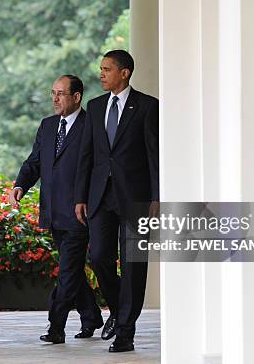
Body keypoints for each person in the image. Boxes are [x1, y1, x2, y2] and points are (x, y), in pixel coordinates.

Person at [74, 50, 159, 353]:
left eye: (107, 69)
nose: (101, 74)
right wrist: (80, 197)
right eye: (101, 69)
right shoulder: (95, 108)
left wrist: (157, 196)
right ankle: (120, 309)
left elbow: (155, 156)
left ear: (124, 73)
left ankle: (126, 331)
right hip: (100, 196)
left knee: (134, 266)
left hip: (136, 198)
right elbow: (87, 155)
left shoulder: (148, 107)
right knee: (98, 257)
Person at [10, 75, 104, 344]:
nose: (55, 98)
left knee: (66, 271)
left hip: (79, 213)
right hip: (53, 211)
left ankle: (56, 327)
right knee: (71, 270)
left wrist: (87, 199)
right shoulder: (48, 125)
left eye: (61, 93)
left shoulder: (91, 126)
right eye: (53, 93)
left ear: (76, 97)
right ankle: (91, 316)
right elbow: (34, 162)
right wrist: (20, 185)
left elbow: (97, 170)